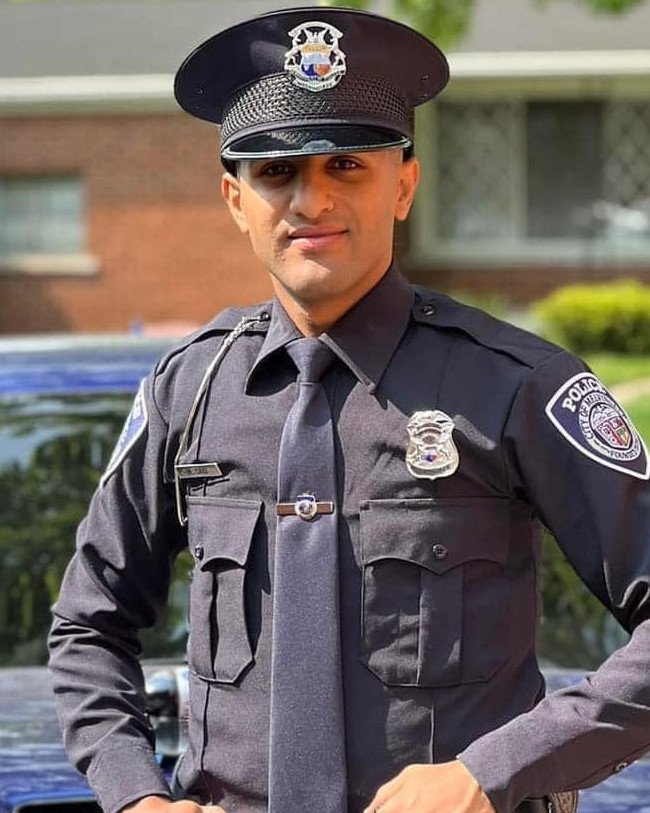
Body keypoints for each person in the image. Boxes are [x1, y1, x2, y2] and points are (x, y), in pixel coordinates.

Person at [48, 7, 650, 813]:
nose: (312, 199)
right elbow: (88, 625)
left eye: (346, 165)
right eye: (276, 172)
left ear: (403, 186)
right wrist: (137, 796)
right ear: (235, 200)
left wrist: (493, 771)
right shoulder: (188, 391)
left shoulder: (516, 384)